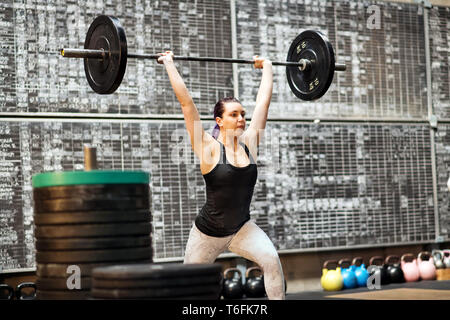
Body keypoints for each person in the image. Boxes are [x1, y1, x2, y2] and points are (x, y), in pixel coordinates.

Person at [157, 51, 285, 300]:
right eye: (234, 115)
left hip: (241, 228)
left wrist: (267, 66)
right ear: (220, 120)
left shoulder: (250, 143)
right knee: (190, 288)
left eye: (242, 115)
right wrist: (169, 64)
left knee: (271, 259)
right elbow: (186, 104)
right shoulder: (208, 147)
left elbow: (263, 103)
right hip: (207, 233)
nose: (241, 119)